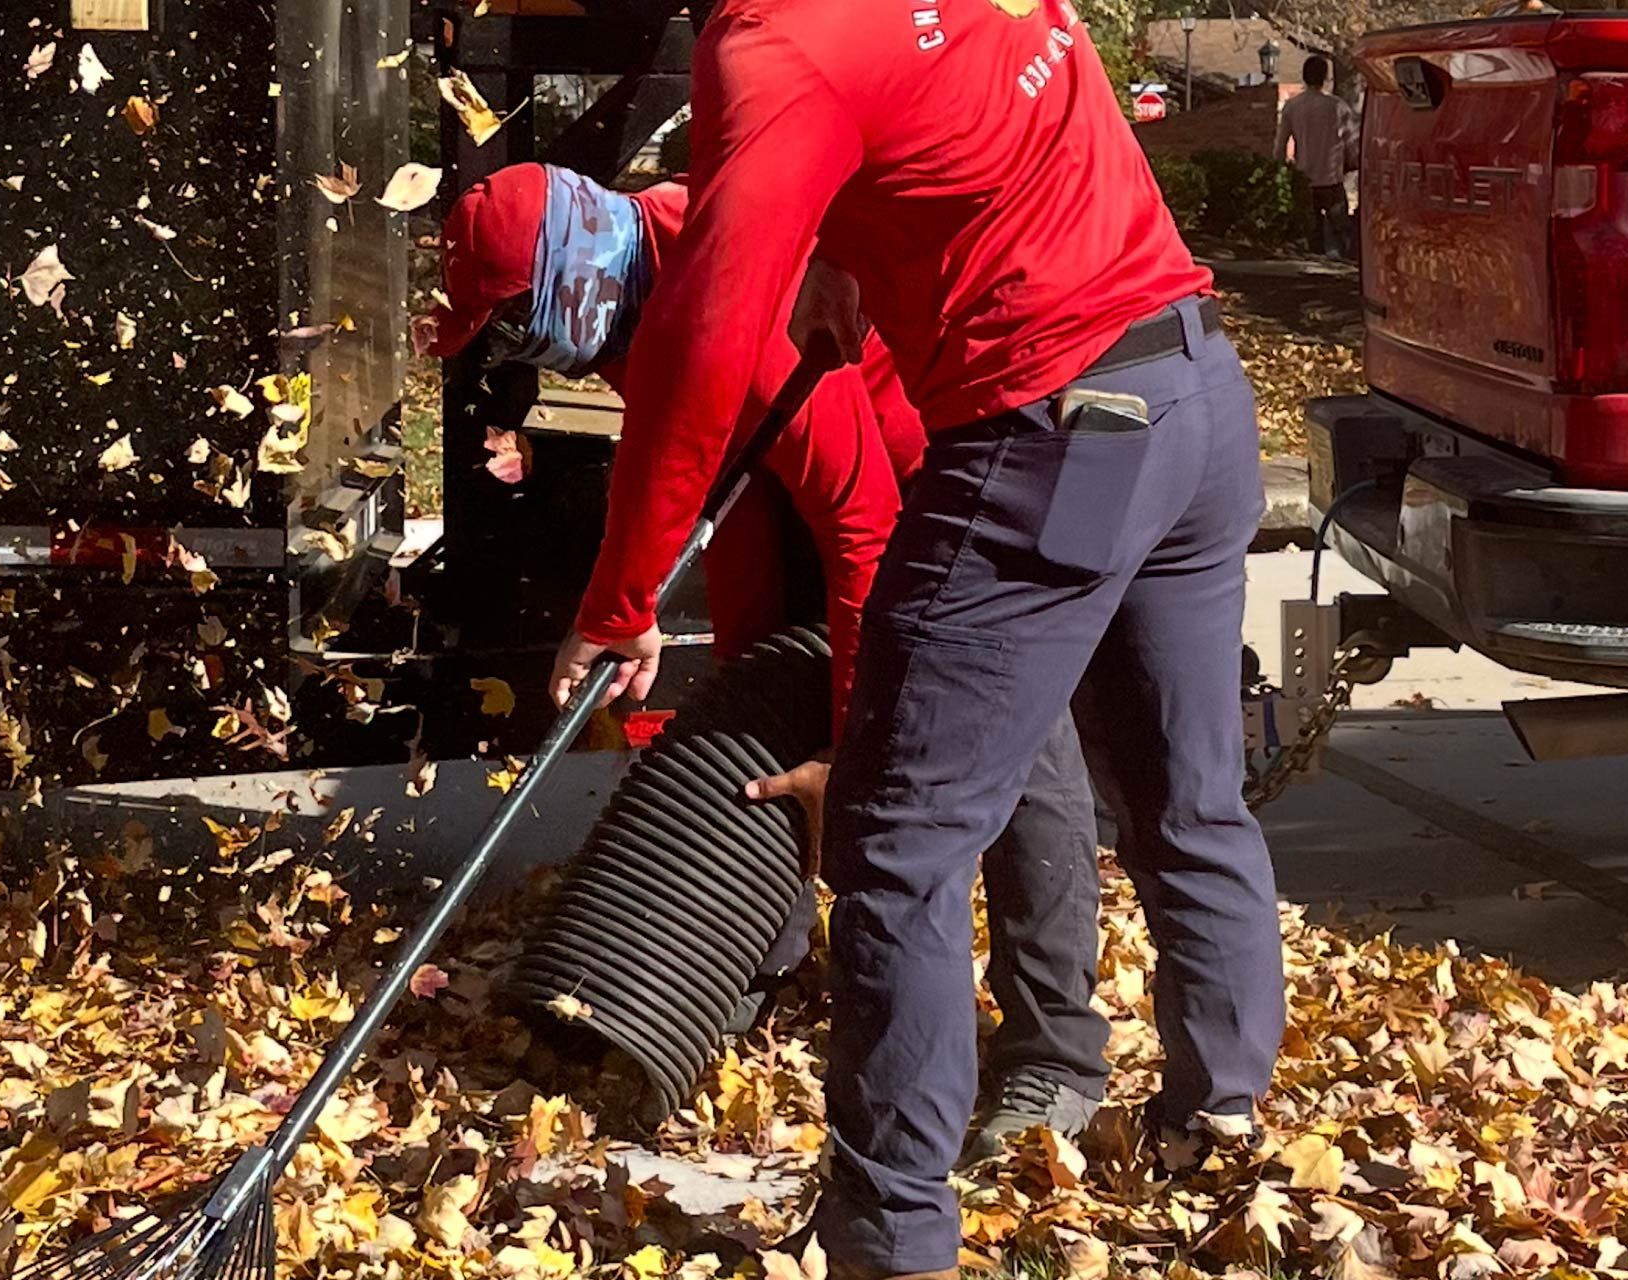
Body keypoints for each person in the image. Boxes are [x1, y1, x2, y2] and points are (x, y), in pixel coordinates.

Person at [546, 0, 1287, 1270]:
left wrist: (618, 603)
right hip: (1196, 396)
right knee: (1188, 795)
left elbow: (705, 344)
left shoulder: (774, 40)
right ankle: (1219, 1127)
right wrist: (846, 255)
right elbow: (958, 128)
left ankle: (890, 1233)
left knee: (896, 852)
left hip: (1052, 433)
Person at [419, 162, 1112, 1161]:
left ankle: (1056, 1049)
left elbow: (866, 524)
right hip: (833, 475)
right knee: (787, 699)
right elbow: (729, 492)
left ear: (565, 279)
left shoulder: (724, 289)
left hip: (956, 457)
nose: (532, 356)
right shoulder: (640, 282)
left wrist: (855, 747)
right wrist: (700, 642)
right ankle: (760, 948)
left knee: (1010, 710)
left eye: (519, 326)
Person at [1274, 54, 1354, 259]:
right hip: (1332, 177)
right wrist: (1351, 163)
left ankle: (1317, 264)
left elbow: (1281, 143)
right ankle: (1345, 267)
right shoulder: (1337, 107)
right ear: (1325, 77)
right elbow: (1351, 143)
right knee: (1342, 231)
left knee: (1312, 234)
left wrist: (1279, 170)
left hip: (1304, 177)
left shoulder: (1293, 106)